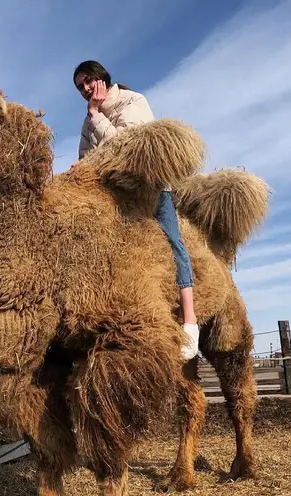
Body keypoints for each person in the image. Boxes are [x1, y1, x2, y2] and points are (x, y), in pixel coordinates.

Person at [72, 60, 200, 359]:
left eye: (88, 81)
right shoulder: (87, 122)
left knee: (172, 242)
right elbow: (87, 157)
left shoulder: (133, 101)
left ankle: (190, 322)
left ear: (102, 77)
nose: (86, 89)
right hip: (116, 193)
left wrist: (96, 116)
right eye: (80, 87)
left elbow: (129, 149)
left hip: (151, 187)